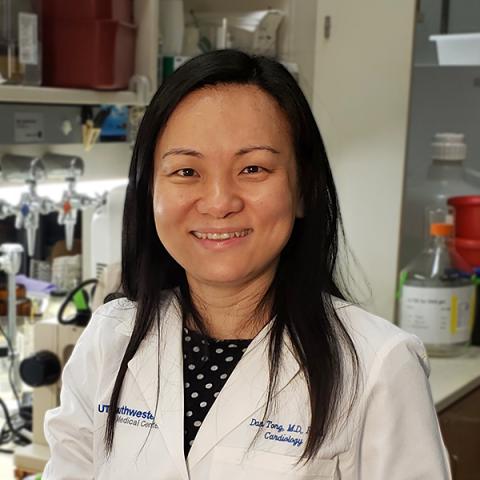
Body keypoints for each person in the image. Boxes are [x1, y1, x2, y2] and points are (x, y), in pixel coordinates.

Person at [42, 50, 451, 479]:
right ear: (150, 192)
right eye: (186, 171)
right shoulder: (110, 338)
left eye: (253, 168)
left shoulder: (377, 365)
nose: (219, 202)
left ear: (302, 190)